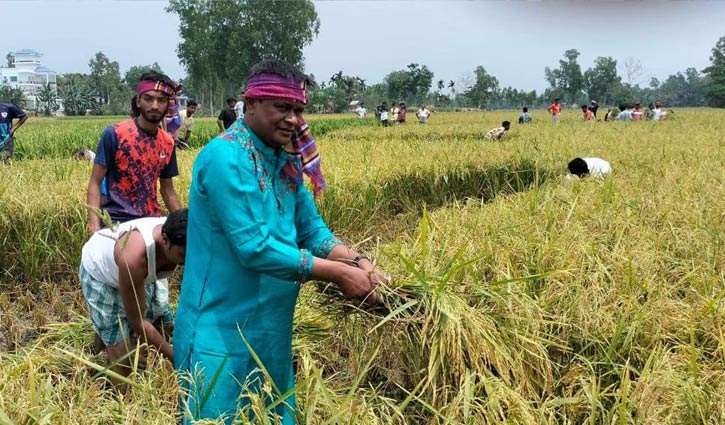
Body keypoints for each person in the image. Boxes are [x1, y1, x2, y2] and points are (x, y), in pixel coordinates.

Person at [173, 59, 385, 424]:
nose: (293, 119)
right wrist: (339, 275)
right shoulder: (224, 156)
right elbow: (253, 247)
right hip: (219, 332)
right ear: (250, 103)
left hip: (270, 331)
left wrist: (358, 261)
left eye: (299, 110)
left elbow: (312, 231)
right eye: (282, 108)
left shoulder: (286, 162)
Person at [79, 208, 188, 378]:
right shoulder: (134, 259)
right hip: (101, 274)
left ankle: (104, 349)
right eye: (183, 255)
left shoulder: (179, 232)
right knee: (122, 361)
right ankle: (117, 391)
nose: (188, 261)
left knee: (165, 324)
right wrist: (178, 361)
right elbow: (138, 322)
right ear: (165, 240)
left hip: (138, 274)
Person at [86, 71, 182, 233]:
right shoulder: (115, 134)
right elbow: (95, 182)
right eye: (148, 98)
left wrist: (185, 227)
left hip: (150, 221)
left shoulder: (167, 143)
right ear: (138, 101)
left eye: (161, 100)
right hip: (117, 221)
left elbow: (167, 190)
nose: (154, 106)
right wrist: (94, 228)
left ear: (168, 104)